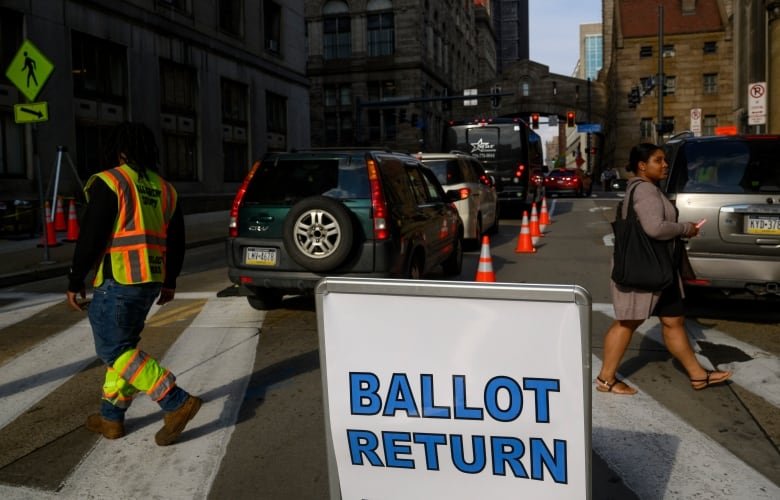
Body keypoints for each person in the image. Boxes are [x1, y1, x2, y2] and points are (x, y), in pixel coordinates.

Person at [66, 121, 202, 445]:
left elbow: (91, 236)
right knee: (123, 349)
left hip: (119, 280)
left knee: (114, 350)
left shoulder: (112, 181)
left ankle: (175, 400)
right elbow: (177, 240)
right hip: (150, 282)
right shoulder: (165, 189)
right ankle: (111, 418)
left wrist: (75, 279)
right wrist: (170, 281)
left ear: (120, 150)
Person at [596, 143, 731, 395]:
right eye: (659, 160)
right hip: (645, 269)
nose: (665, 164)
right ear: (642, 166)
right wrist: (685, 228)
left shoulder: (646, 189)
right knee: (626, 323)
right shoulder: (646, 190)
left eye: (665, 160)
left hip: (658, 268)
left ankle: (698, 375)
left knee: (673, 321)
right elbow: (654, 228)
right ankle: (606, 379)